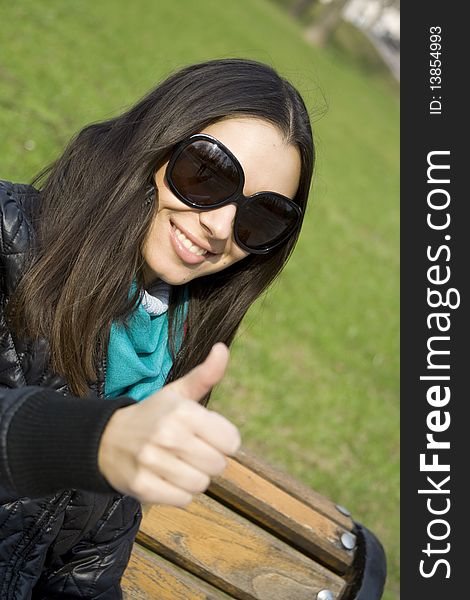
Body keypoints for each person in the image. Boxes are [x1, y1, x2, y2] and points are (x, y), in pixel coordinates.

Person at [0, 57, 314, 598]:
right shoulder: (8, 237)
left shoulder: (171, 354)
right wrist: (92, 440)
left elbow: (85, 572)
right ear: (153, 147)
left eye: (261, 217)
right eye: (208, 174)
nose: (219, 227)